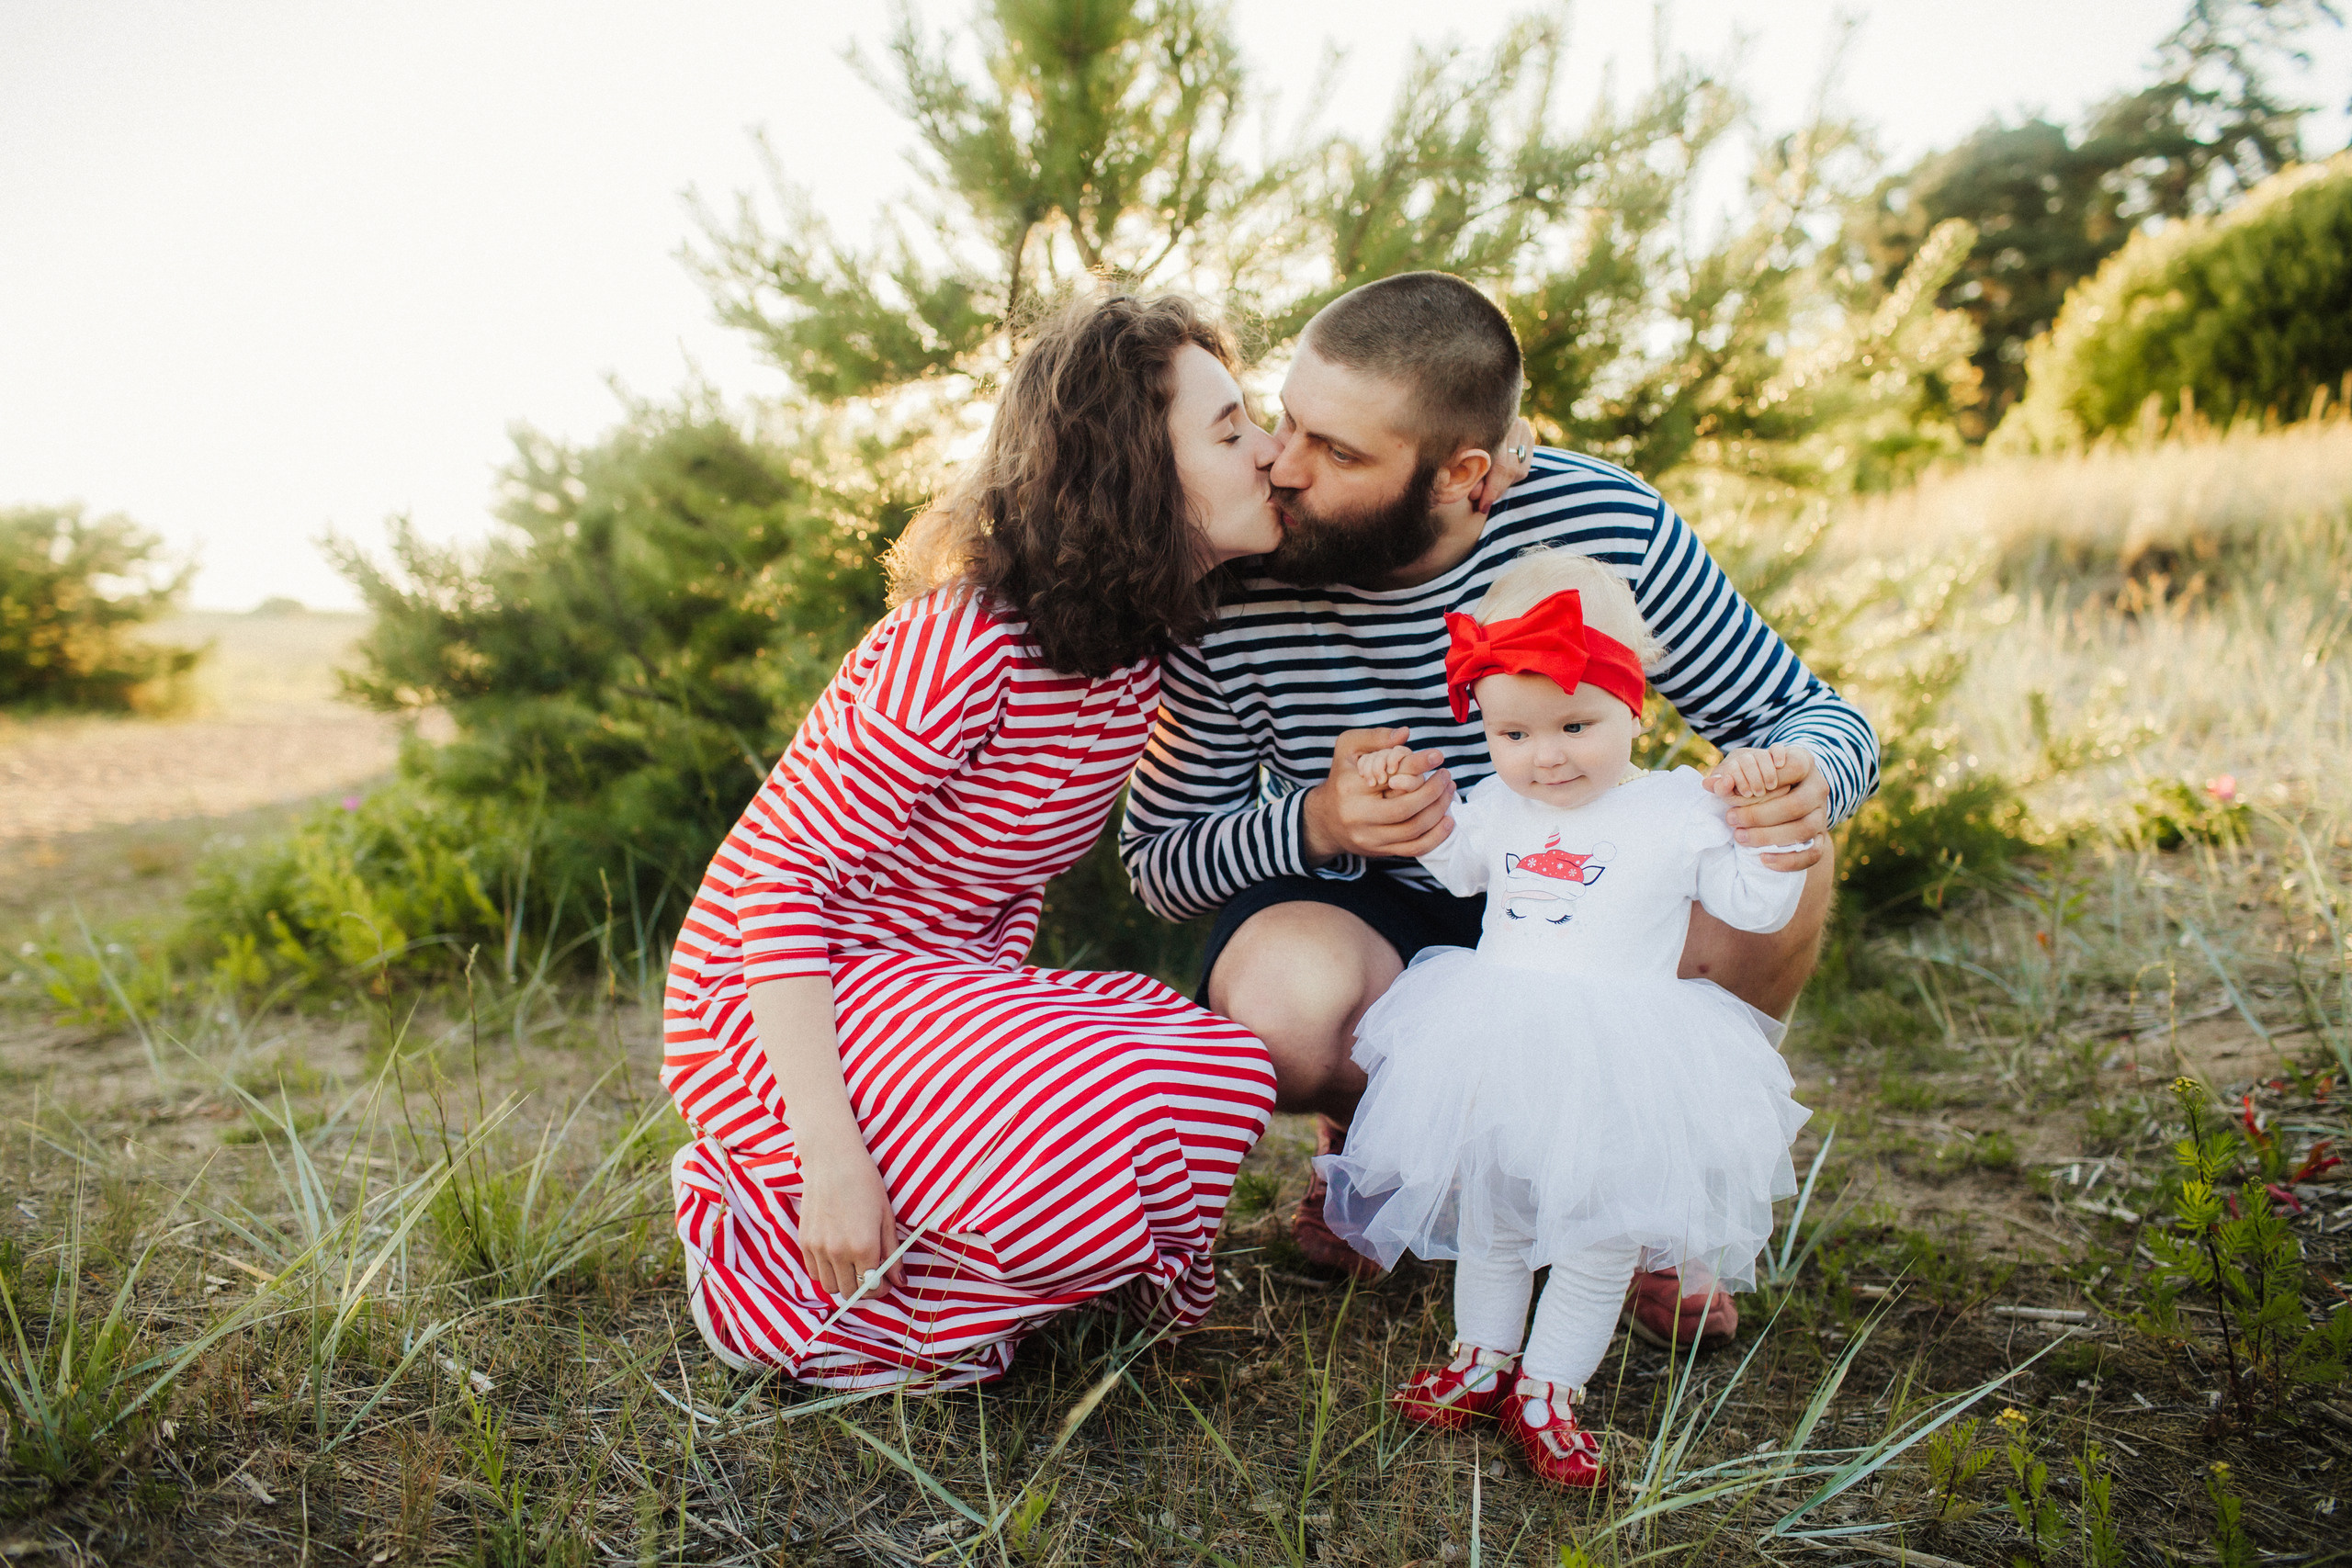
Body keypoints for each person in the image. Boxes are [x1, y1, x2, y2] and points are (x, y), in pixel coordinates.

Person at [1117, 271, 1877, 1348]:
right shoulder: (1233, 575)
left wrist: (1805, 774)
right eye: (1287, 421)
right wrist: (1319, 824)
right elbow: (1158, 863)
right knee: (1280, 1011)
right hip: (1368, 917)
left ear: (1463, 475)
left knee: (1789, 850)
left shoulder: (1601, 522)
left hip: (1600, 917)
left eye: (1337, 453)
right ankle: (1385, 1150)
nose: (1283, 465)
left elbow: (1807, 713)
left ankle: (1649, 1203)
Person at [662, 292, 1283, 1389]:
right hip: (777, 998)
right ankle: (765, 1260)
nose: (1273, 452)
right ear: (1135, 468)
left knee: (1217, 1066)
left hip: (931, 993)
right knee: (1088, 1110)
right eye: (1230, 430)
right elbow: (776, 893)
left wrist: (1502, 458)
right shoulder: (963, 644)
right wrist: (832, 1156)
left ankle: (952, 1270)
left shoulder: (1130, 660)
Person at [1317, 549, 1813, 1487]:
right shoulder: (1500, 802)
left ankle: (1549, 1388)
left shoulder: (1677, 807)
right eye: (1510, 732)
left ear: (1636, 708)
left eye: (1575, 724)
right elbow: (1459, 867)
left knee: (1597, 1234)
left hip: (1621, 1055)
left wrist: (1772, 829)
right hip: (1500, 1044)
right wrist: (1399, 798)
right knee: (1497, 1214)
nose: (1544, 756)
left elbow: (1750, 908)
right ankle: (1481, 1359)